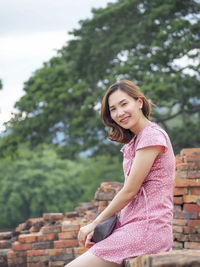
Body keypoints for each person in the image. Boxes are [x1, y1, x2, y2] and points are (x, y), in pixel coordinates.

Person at [65, 80, 175, 267]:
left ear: (139, 102)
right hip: (131, 227)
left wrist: (95, 222)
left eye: (124, 104)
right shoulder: (134, 141)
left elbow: (129, 190)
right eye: (113, 109)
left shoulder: (151, 136)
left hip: (147, 229)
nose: (119, 113)